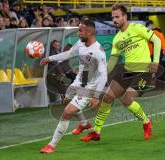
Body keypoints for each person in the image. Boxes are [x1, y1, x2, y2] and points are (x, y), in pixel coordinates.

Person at [80, 3, 161, 142]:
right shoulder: (117, 38)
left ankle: (146, 122)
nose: (114, 20)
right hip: (127, 71)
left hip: (144, 72)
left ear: (125, 16)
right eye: (113, 17)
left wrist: (156, 61)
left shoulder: (138, 28)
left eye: (117, 17)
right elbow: (113, 59)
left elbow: (156, 40)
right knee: (107, 98)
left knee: (127, 99)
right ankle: (96, 132)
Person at [39, 19, 107, 154]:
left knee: (67, 112)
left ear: (89, 32)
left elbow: (103, 75)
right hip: (78, 81)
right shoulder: (81, 43)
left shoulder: (98, 51)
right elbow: (69, 54)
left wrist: (96, 96)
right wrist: (50, 58)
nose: (78, 33)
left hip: (89, 87)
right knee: (66, 101)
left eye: (80, 31)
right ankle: (84, 124)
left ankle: (51, 145)